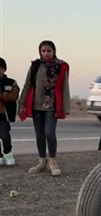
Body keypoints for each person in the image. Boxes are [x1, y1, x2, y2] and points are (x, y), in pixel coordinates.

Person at [19, 40, 70, 176]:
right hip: (36, 105)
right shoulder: (35, 65)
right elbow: (27, 85)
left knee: (49, 133)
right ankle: (42, 161)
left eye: (49, 51)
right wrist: (21, 103)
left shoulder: (61, 66)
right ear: (40, 52)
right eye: (43, 51)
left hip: (52, 106)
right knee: (39, 134)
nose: (46, 53)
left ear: (54, 51)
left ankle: (52, 161)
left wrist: (66, 107)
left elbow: (65, 87)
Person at [0, 57, 21, 166]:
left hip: (4, 115)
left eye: (0, 68)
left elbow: (14, 96)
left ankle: (8, 154)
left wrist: (2, 95)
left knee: (5, 136)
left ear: (4, 69)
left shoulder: (11, 82)